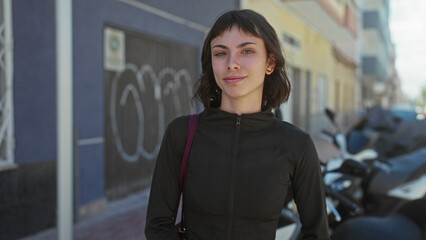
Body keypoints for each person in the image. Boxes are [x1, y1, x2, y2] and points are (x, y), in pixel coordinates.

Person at [145, 9, 329, 240]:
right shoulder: (181, 133)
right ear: (211, 62)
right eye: (220, 53)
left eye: (247, 51)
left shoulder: (296, 144)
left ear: (270, 63)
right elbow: (157, 226)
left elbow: (317, 233)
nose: (232, 63)